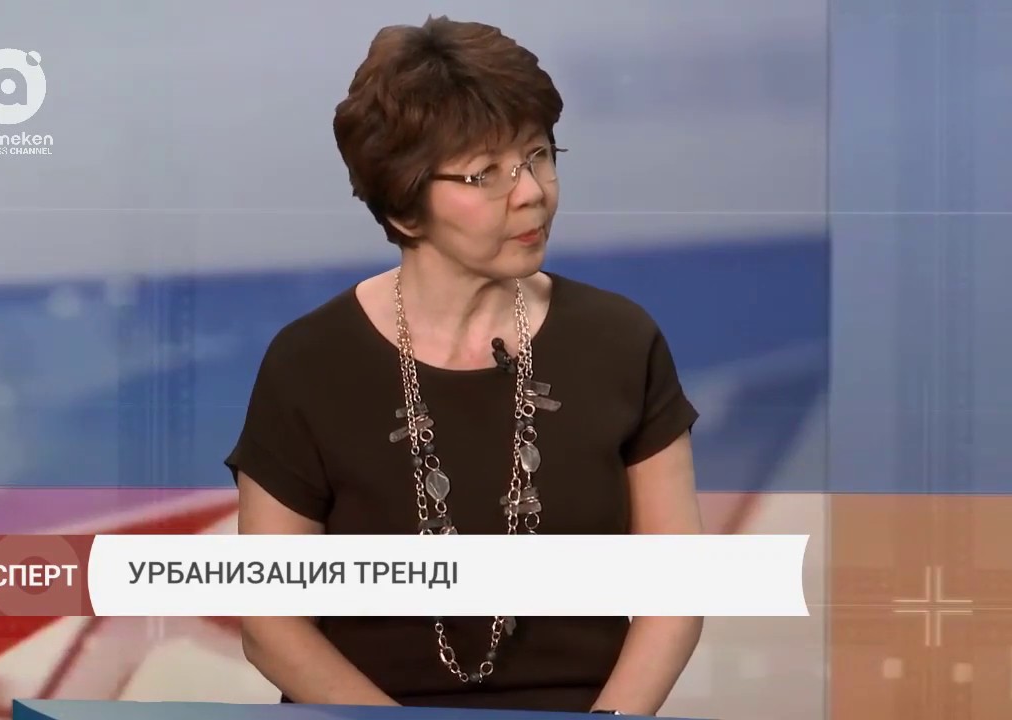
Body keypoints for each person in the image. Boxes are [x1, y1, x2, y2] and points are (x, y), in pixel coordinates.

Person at [226, 15, 704, 715]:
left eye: (538, 155)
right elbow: (272, 628)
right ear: (405, 206)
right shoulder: (309, 364)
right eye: (485, 174)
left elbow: (676, 595)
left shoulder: (621, 342)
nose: (531, 191)